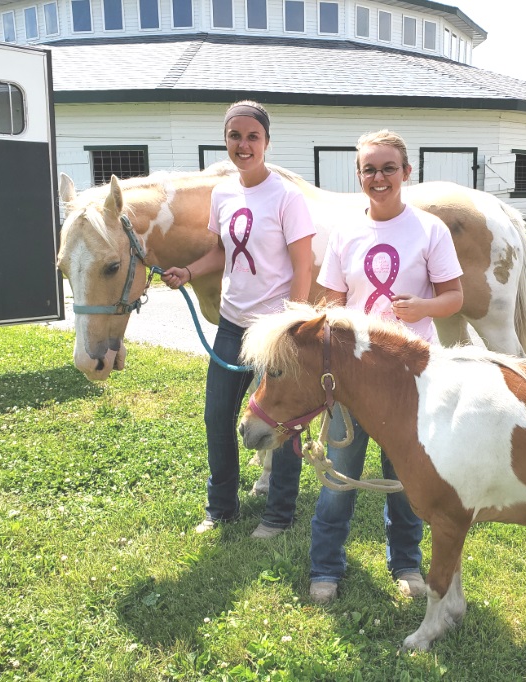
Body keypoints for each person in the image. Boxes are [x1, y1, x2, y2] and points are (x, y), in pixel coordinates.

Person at [308, 129, 464, 603]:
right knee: (338, 478)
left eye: (388, 168)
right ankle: (326, 568)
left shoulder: (429, 229)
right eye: (369, 169)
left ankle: (407, 564)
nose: (379, 177)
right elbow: (330, 302)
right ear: (359, 175)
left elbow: (456, 297)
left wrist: (422, 308)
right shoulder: (345, 233)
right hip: (352, 381)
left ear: (406, 173)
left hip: (409, 382)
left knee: (406, 482)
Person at [161, 101, 314, 538]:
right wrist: (188, 272)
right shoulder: (224, 192)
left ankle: (278, 515)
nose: (243, 145)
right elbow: (222, 250)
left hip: (275, 330)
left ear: (266, 142)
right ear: (226, 140)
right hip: (231, 324)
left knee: (284, 423)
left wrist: (293, 325)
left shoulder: (287, 197)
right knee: (217, 416)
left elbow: (303, 266)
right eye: (235, 136)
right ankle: (220, 508)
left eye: (252, 137)